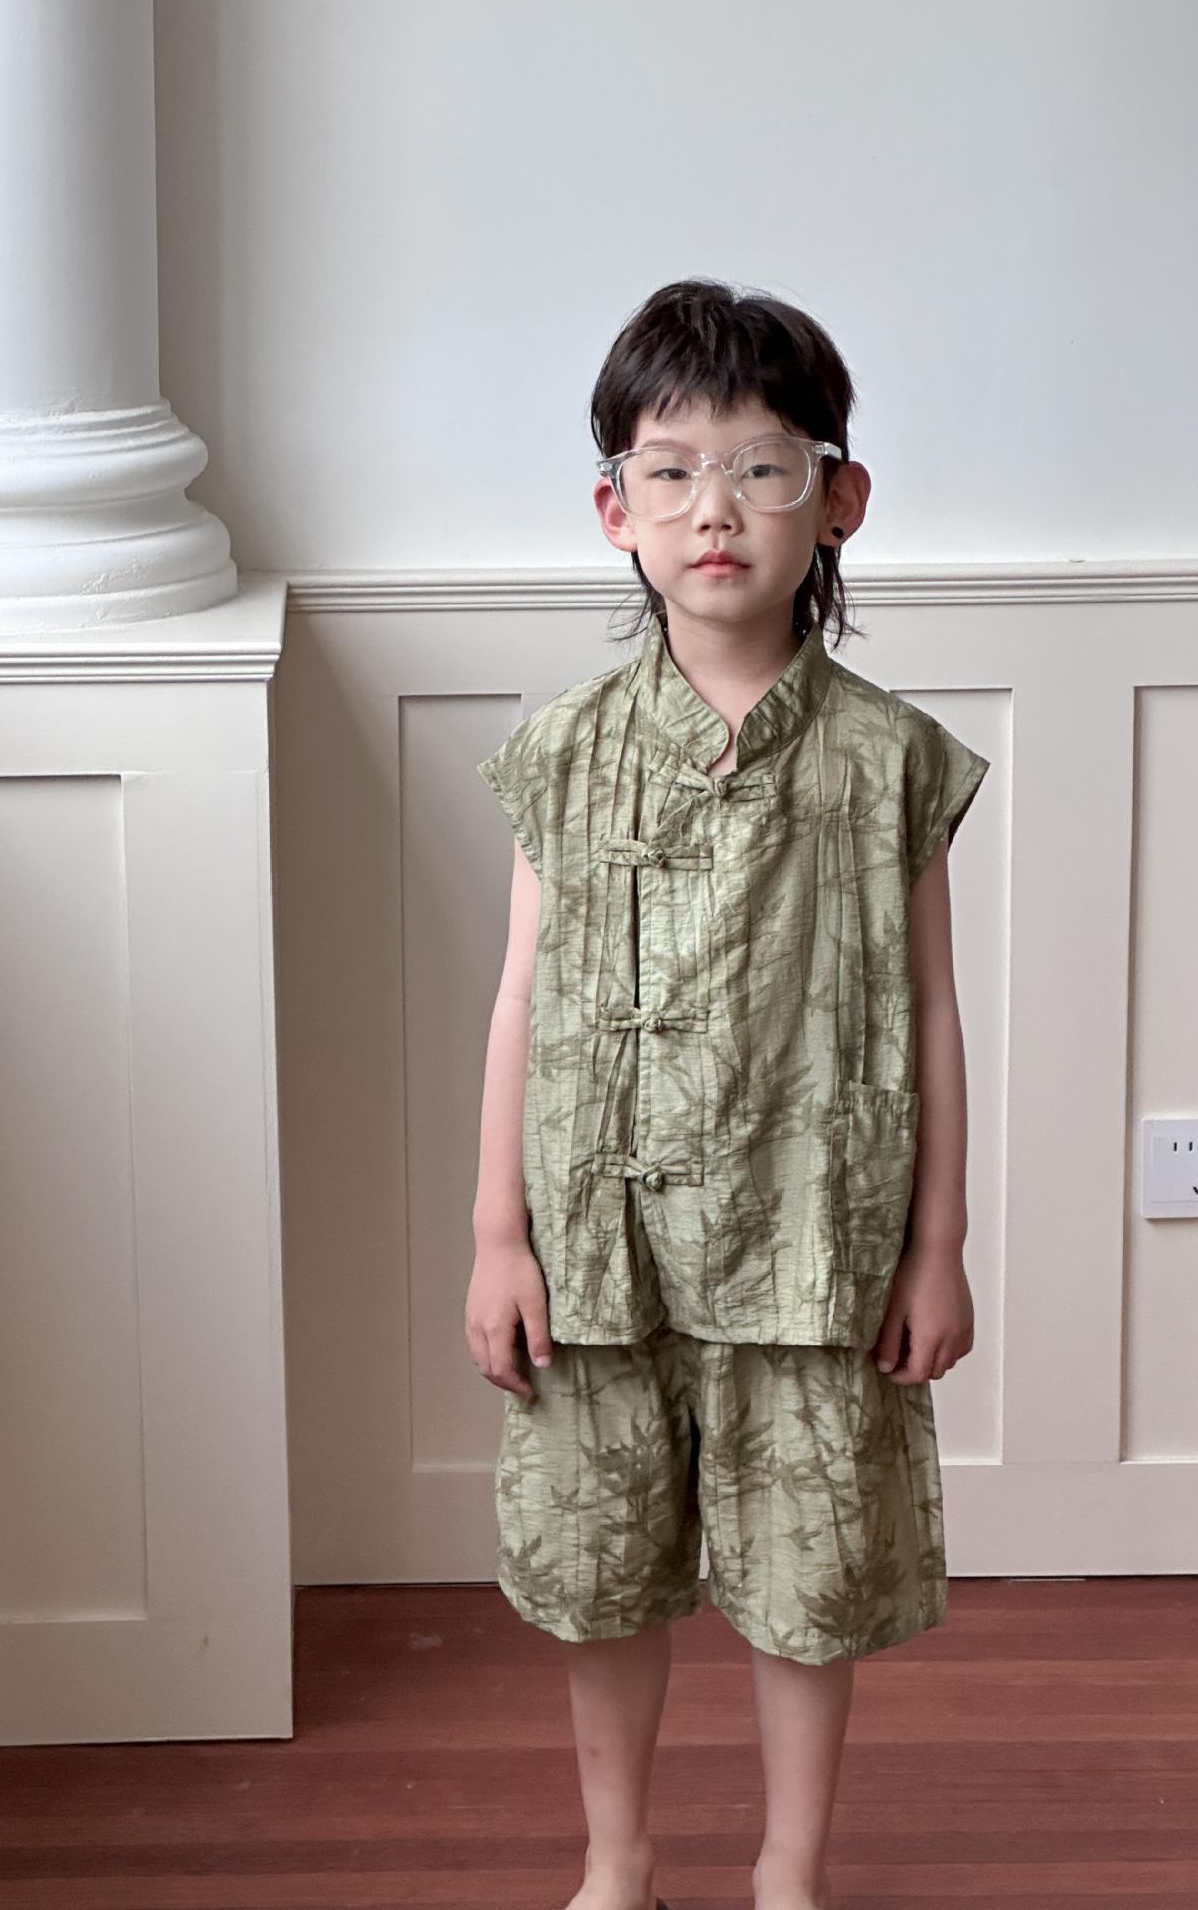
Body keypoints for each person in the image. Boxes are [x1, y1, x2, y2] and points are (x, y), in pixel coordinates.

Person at [465, 278, 991, 1910]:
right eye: (674, 471)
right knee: (603, 1571)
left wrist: (937, 1247)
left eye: (763, 468)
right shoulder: (562, 752)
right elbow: (519, 997)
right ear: (615, 510)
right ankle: (617, 1861)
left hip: (813, 1248)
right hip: (598, 1249)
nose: (717, 510)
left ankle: (789, 1871)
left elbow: (931, 1009)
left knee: (807, 1579)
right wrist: (498, 1236)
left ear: (837, 500)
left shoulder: (890, 760)